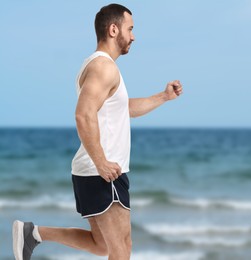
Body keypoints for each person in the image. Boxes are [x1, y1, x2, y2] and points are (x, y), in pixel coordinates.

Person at [12, 3, 183, 260]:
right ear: (114, 30)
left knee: (102, 245)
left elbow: (123, 109)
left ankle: (33, 234)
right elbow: (83, 114)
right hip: (102, 172)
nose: (134, 36)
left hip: (97, 171)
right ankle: (32, 233)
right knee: (121, 249)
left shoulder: (99, 67)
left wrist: (163, 96)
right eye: (131, 28)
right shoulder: (104, 68)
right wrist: (101, 161)